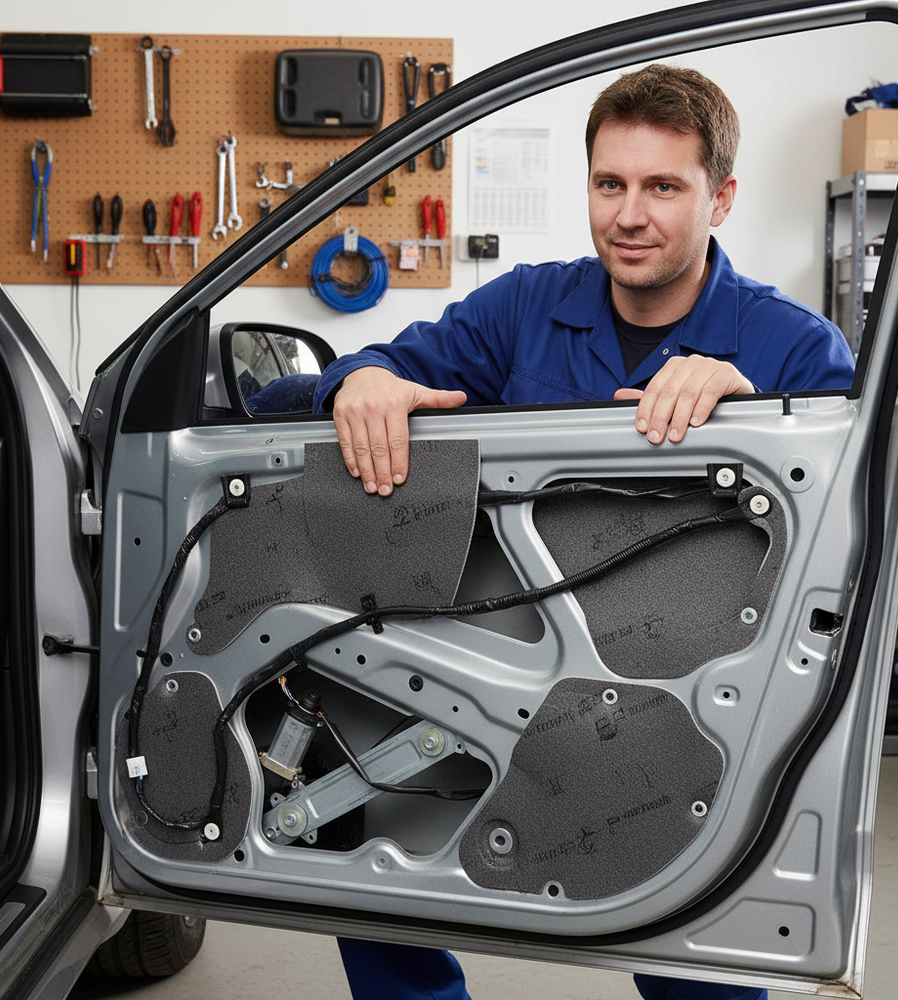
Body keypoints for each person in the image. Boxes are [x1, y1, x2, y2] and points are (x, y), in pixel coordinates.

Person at [314, 64, 855, 1000]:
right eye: (611, 184)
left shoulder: (795, 349)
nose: (629, 215)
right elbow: (391, 362)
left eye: (662, 187)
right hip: (521, 672)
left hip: (694, 710)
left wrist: (749, 404)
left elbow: (841, 546)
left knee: (698, 960)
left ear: (720, 197)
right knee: (376, 863)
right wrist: (357, 382)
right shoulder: (523, 307)